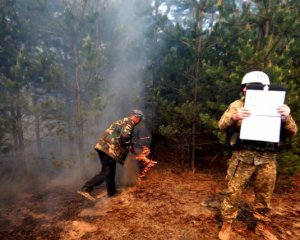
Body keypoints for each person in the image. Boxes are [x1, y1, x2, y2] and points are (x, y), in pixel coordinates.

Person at [218, 71, 298, 240]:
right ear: (244, 89)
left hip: (267, 159)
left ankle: (261, 225)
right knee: (233, 192)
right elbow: (221, 125)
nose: (250, 90)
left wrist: (286, 118)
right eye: (248, 87)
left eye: (257, 87)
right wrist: (234, 117)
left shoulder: (278, 107)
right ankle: (227, 223)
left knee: (264, 195)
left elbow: (293, 131)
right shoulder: (237, 105)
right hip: (242, 158)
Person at [77, 109, 144, 200]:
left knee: (110, 171)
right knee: (106, 172)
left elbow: (123, 136)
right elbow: (125, 136)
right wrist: (128, 146)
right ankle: (86, 188)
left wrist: (131, 149)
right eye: (140, 119)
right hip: (108, 149)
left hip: (105, 148)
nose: (139, 122)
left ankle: (112, 192)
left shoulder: (125, 121)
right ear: (136, 117)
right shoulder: (130, 122)